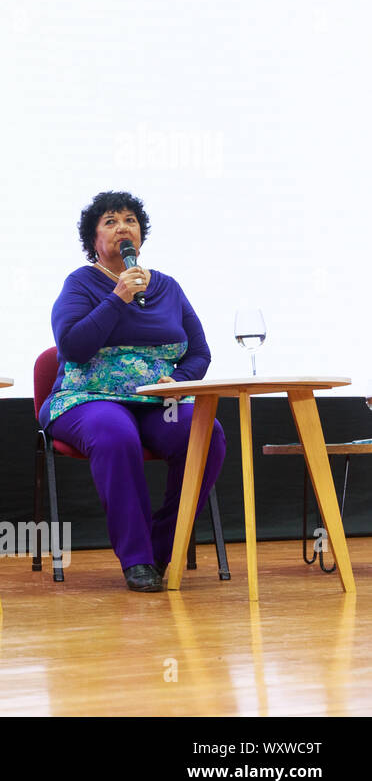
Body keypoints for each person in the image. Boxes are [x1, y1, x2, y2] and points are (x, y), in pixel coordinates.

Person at [41, 191, 226, 592]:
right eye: (110, 221)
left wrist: (177, 381)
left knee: (205, 432)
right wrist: (118, 297)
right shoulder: (81, 284)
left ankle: (162, 548)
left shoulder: (168, 287)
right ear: (94, 241)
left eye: (130, 220)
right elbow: (72, 346)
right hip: (87, 397)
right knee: (114, 432)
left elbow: (199, 351)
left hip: (157, 402)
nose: (123, 227)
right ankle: (136, 558)